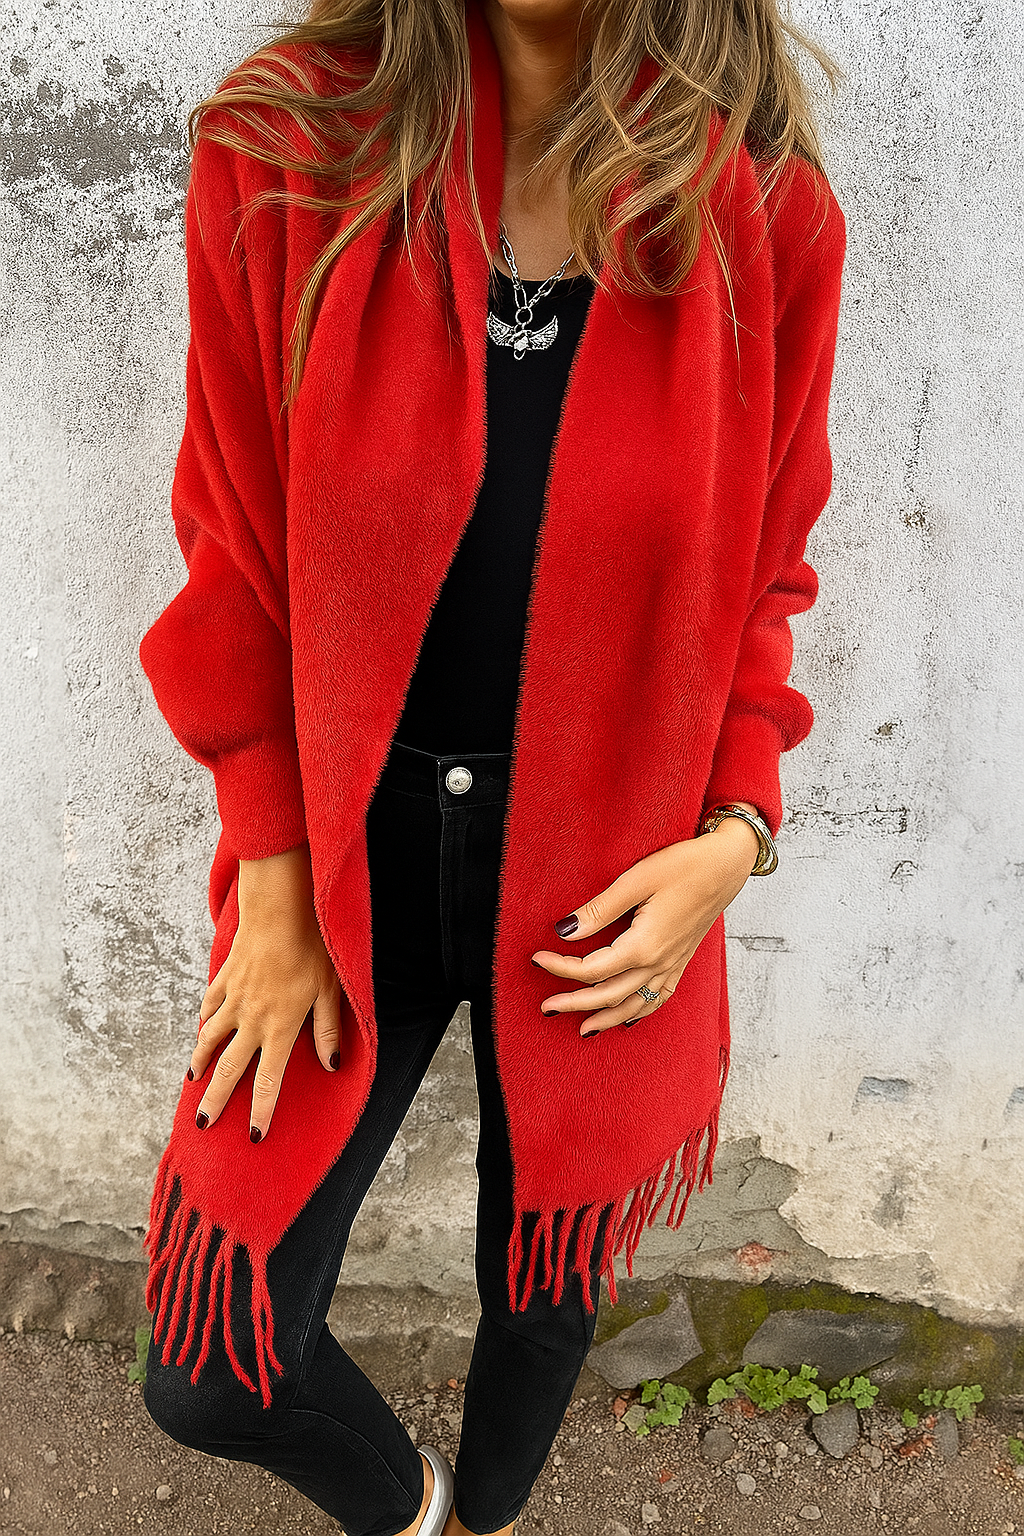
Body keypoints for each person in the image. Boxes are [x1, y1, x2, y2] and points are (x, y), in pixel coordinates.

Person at [137, 1, 847, 1533]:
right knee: (209, 1366)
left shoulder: (764, 208)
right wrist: (273, 882)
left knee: (540, 1295)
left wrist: (735, 838)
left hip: (611, 863)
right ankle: (417, 1514)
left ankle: (490, 1521)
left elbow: (764, 578)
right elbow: (233, 546)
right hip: (346, 863)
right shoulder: (286, 147)